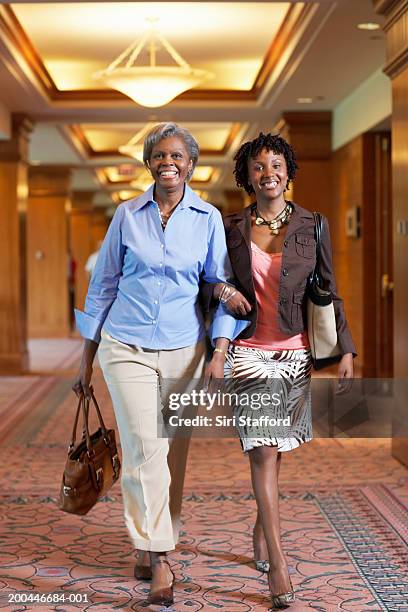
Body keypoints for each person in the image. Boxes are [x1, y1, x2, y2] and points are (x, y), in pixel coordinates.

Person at [72, 123, 247, 607]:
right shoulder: (127, 215)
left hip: (185, 348)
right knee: (145, 447)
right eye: (159, 155)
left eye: (177, 156)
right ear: (149, 163)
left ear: (191, 164)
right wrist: (86, 360)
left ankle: (152, 538)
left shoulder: (207, 218)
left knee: (172, 453)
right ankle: (160, 554)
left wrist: (219, 349)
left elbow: (218, 286)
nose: (168, 162)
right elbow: (102, 287)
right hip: (124, 344)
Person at [216, 132, 356, 609]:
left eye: (276, 164)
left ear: (288, 171)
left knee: (280, 453)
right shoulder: (230, 226)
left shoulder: (313, 224)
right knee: (263, 450)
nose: (268, 173)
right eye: (258, 166)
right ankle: (278, 561)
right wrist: (220, 297)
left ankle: (261, 526)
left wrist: (346, 351)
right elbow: (213, 281)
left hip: (296, 351)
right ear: (246, 176)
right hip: (248, 350)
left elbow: (329, 290)